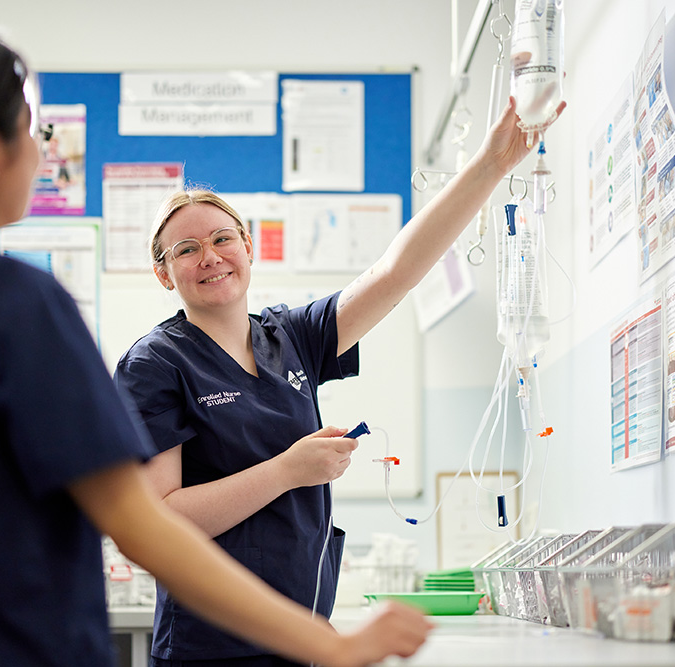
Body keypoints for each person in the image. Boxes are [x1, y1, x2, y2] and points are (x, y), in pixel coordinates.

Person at [0, 17, 433, 667]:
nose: (40, 155)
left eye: (223, 239)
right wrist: (333, 644)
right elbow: (144, 524)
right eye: (34, 134)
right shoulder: (11, 303)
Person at [114, 88, 565, 665]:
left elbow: (396, 271)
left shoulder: (291, 337)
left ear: (247, 247)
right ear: (162, 273)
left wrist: (492, 165)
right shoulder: (155, 364)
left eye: (223, 238)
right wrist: (287, 471)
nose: (211, 256)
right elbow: (160, 521)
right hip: (212, 646)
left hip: (304, 633)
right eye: (186, 248)